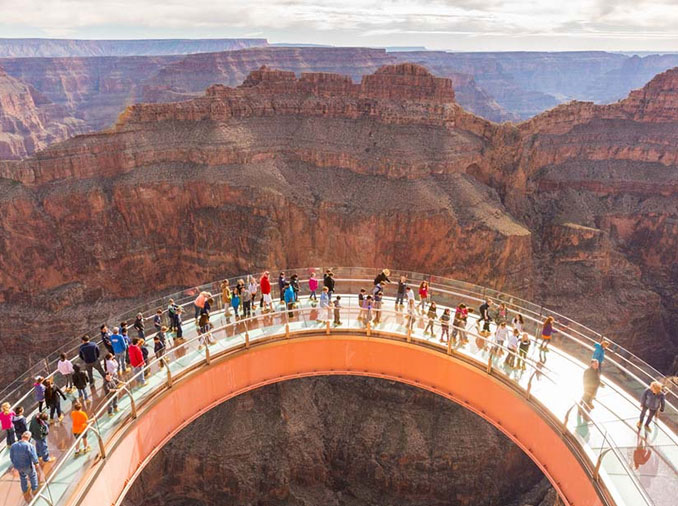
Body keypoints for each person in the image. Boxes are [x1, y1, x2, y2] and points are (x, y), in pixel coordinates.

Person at [9, 431, 39, 495]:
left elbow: (11, 456)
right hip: (27, 465)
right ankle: (34, 488)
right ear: (29, 438)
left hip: (18, 466)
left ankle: (25, 490)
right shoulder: (29, 446)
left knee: (22, 477)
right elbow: (33, 455)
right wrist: (36, 463)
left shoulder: (13, 445)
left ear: (22, 436)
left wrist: (15, 465)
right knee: (33, 476)